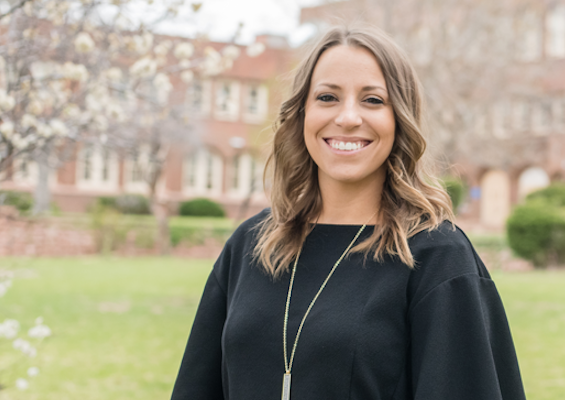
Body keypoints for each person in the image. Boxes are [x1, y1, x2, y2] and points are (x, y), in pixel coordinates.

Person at [171, 25, 525, 400]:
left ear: (399, 119)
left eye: (373, 100)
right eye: (327, 97)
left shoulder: (436, 255)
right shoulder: (251, 244)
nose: (348, 117)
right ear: (302, 112)